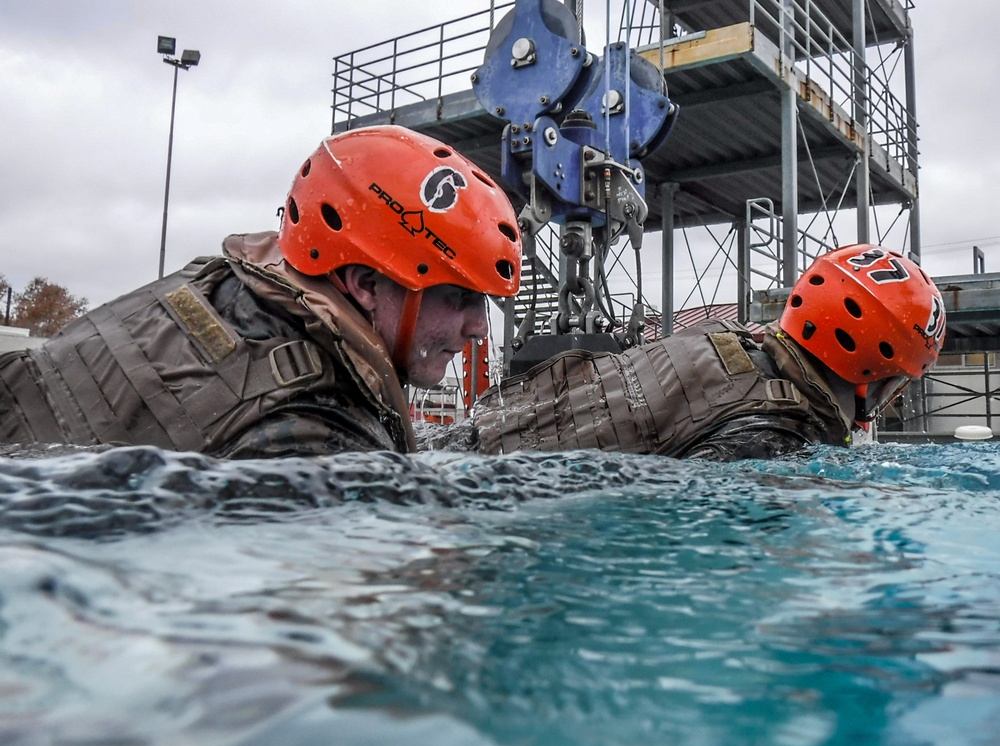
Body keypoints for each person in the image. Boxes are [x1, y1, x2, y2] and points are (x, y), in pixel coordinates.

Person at [0, 126, 522, 458]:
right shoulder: (319, 437)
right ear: (365, 284)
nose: (479, 328)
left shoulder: (217, 286)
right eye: (459, 297)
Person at [470, 244, 946, 460]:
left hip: (475, 437)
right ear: (875, 377)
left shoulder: (723, 339)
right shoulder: (775, 433)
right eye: (897, 385)